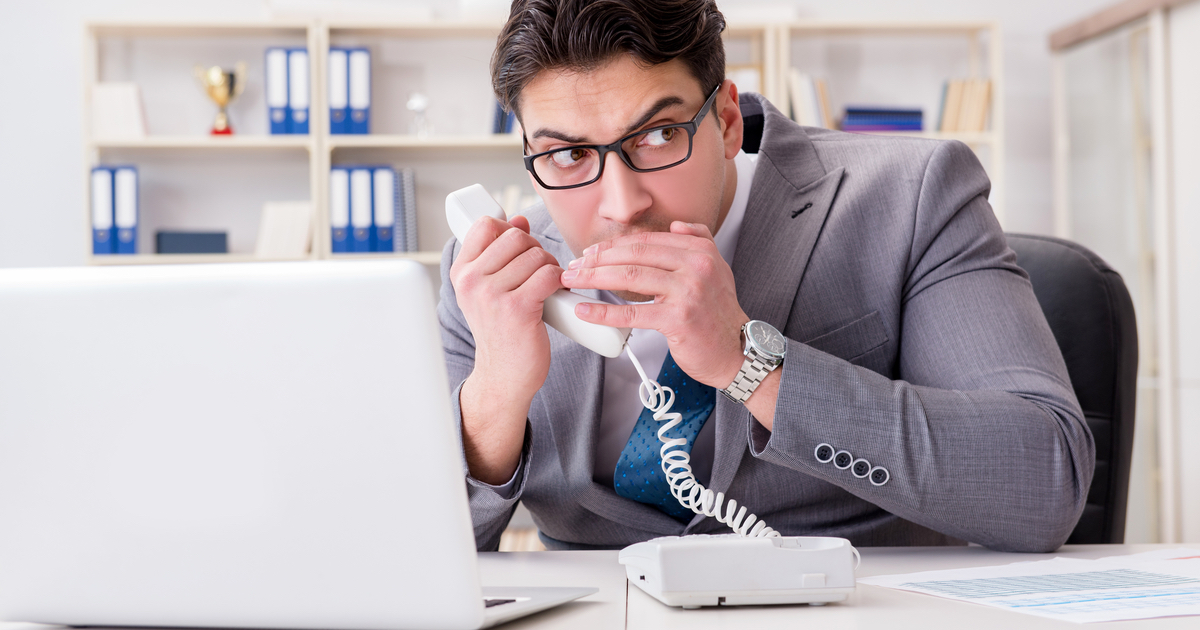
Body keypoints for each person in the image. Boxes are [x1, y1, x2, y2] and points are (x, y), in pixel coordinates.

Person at [438, 0, 1093, 553]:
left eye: (661, 135)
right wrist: (496, 392)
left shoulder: (914, 198)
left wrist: (751, 363)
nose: (621, 203)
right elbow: (406, 553)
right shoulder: (490, 274)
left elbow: (1045, 480)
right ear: (530, 161)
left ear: (724, 120)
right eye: (570, 153)